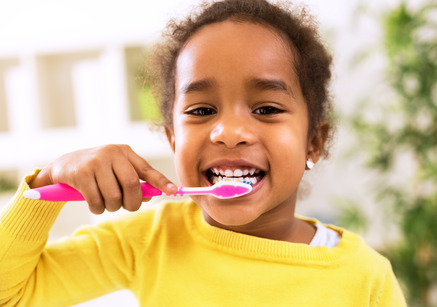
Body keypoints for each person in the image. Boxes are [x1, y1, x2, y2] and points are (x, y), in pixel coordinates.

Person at [0, 0, 407, 306]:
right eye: (202, 111)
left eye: (266, 109)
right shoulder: (148, 240)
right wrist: (48, 182)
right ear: (173, 138)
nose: (229, 132)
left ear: (313, 142)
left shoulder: (364, 278)